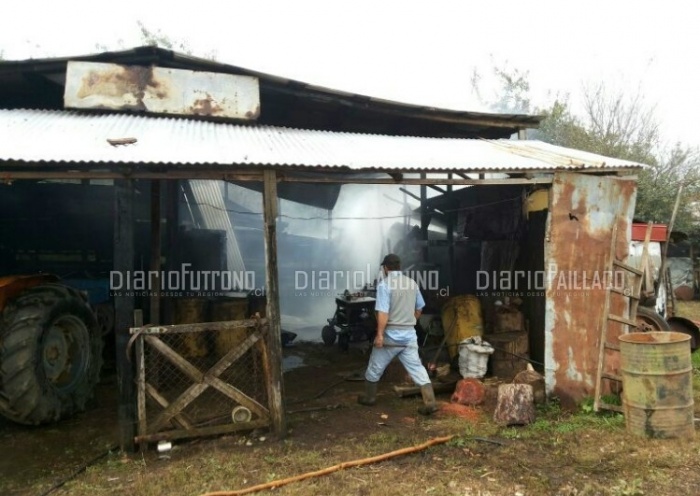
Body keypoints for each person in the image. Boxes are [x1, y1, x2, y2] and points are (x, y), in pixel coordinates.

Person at [357, 253, 437, 415]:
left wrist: (379, 335)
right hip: (409, 335)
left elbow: (383, 313)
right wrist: (410, 321)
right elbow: (419, 308)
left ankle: (369, 398)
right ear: (399, 267)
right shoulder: (412, 283)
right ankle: (430, 402)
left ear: (386, 268)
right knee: (416, 367)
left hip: (391, 335)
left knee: (375, 366)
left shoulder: (384, 285)